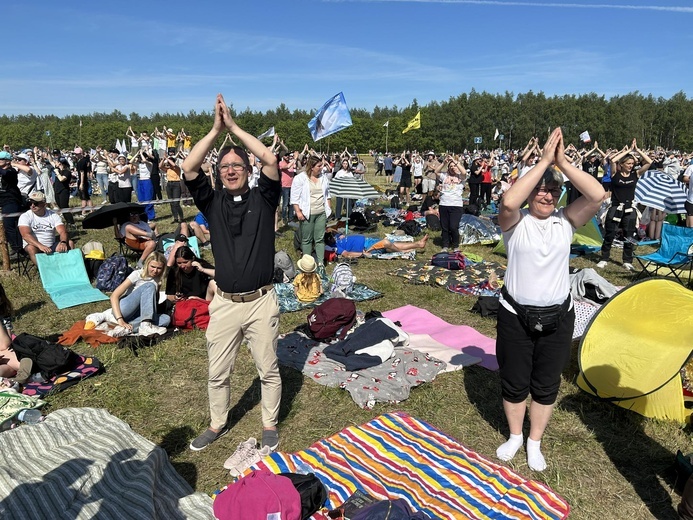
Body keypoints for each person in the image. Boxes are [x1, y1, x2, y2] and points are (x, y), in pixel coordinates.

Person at [496, 127, 604, 472]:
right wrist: (542, 163)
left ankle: (534, 441)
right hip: (515, 314)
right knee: (514, 379)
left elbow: (598, 194)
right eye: (541, 189)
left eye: (552, 191)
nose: (546, 195)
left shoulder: (567, 221)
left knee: (546, 382)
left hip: (558, 315)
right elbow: (510, 200)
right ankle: (515, 435)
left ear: (559, 195)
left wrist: (561, 163)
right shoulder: (515, 222)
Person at [182, 93, 281, 452]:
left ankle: (269, 423)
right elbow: (189, 169)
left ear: (248, 171)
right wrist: (214, 130)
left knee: (267, 370)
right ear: (218, 173)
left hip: (260, 302)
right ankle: (217, 423)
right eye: (224, 166)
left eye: (238, 164)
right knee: (217, 373)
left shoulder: (265, 198)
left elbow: (270, 158)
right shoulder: (211, 201)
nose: (231, 169)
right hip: (223, 303)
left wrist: (235, 127)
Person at [596, 139, 652, 271]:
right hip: (615, 207)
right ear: (622, 164)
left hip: (629, 208)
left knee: (629, 234)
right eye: (628, 163)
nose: (631, 165)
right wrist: (627, 151)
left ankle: (627, 260)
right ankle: (604, 258)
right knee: (610, 233)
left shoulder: (635, 174)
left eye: (632, 163)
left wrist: (636, 150)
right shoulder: (615, 174)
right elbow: (613, 160)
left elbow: (649, 162)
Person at [109, 251, 170, 337]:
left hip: (139, 313)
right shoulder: (137, 274)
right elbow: (113, 296)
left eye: (159, 268)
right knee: (149, 286)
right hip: (125, 308)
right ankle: (145, 325)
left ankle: (127, 329)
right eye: (152, 267)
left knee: (166, 319)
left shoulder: (158, 279)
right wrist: (120, 319)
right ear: (147, 264)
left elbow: (152, 304)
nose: (155, 270)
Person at [291, 154, 331, 268]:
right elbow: (294, 197)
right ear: (312, 167)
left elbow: (327, 194)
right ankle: (307, 263)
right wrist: (298, 212)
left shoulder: (323, 178)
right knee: (307, 239)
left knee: (319, 239)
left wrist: (329, 208)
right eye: (319, 166)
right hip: (306, 214)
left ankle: (320, 263)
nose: (321, 168)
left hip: (321, 213)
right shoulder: (300, 178)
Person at [18, 192, 74, 265]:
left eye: (35, 203)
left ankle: (69, 267)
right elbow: (26, 235)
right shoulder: (25, 216)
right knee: (31, 248)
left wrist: (63, 242)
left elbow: (63, 231)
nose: (32, 206)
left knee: (70, 243)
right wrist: (40, 246)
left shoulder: (53, 215)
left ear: (44, 203)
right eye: (30, 203)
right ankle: (44, 271)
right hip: (35, 246)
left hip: (51, 245)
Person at [434, 155, 467, 252]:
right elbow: (436, 171)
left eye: (454, 166)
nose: (453, 168)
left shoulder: (461, 178)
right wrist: (444, 163)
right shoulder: (444, 176)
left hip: (456, 205)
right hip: (444, 204)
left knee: (453, 226)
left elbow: (464, 172)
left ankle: (455, 245)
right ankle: (445, 245)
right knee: (445, 227)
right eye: (451, 166)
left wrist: (455, 162)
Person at [0, 151, 27, 255]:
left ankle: (18, 248)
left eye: (0, 160)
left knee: (9, 224)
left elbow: (5, 173)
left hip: (11, 200)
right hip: (1, 200)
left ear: (7, 162)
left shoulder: (11, 171)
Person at [327, 231, 429, 258]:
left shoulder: (335, 237)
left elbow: (330, 229)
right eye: (330, 237)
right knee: (386, 243)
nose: (332, 236)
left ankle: (418, 244)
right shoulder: (334, 247)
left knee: (393, 244)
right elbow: (347, 254)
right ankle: (402, 252)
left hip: (368, 240)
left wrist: (339, 235)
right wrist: (362, 254)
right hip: (367, 248)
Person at [160, 150, 184, 223]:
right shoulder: (167, 169)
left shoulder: (177, 168)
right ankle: (175, 218)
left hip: (176, 184)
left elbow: (173, 165)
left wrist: (168, 158)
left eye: (170, 162)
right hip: (169, 184)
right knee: (171, 202)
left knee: (176, 203)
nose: (168, 164)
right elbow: (160, 166)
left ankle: (181, 217)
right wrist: (164, 159)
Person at [73, 147, 93, 216]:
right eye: (75, 154)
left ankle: (85, 211)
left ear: (80, 153)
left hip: (83, 181)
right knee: (85, 197)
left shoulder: (81, 162)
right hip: (84, 180)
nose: (76, 155)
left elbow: (82, 173)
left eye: (77, 154)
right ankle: (88, 210)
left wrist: (81, 183)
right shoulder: (84, 160)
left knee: (84, 197)